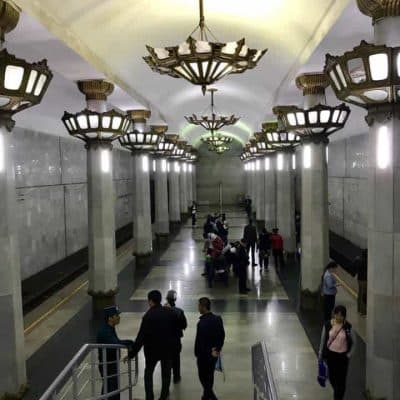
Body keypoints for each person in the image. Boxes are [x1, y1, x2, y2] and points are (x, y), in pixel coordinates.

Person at [128, 290, 180, 400]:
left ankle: (149, 397)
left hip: (151, 351)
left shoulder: (148, 316)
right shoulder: (170, 313)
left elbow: (141, 338)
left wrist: (131, 354)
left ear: (150, 301)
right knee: (166, 374)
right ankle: (163, 396)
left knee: (148, 373)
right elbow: (176, 331)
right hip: (167, 350)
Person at [318, 305, 356, 400]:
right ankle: (337, 393)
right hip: (331, 356)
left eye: (341, 315)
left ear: (344, 316)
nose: (339, 317)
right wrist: (320, 353)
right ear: (334, 314)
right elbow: (323, 340)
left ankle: (338, 397)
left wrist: (349, 354)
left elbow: (354, 342)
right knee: (332, 378)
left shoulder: (347, 327)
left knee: (341, 380)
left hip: (343, 357)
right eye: (337, 314)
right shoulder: (328, 325)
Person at [97, 306, 134, 400]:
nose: (119, 317)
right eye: (116, 315)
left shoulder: (110, 328)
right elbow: (116, 343)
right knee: (112, 390)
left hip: (111, 364)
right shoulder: (105, 332)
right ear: (110, 318)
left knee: (109, 389)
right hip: (108, 365)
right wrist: (130, 342)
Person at [195, 297, 225, 400]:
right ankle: (206, 396)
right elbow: (222, 335)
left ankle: (210, 396)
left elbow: (200, 342)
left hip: (203, 356)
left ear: (203, 307)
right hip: (214, 355)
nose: (198, 308)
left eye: (199, 305)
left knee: (203, 377)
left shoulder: (201, 323)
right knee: (210, 375)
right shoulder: (218, 319)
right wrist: (217, 349)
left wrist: (199, 353)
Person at [164, 290, 187, 384]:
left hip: (165, 340)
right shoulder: (179, 312)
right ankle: (176, 377)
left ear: (166, 299)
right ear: (175, 299)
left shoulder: (162, 311)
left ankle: (166, 379)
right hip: (176, 340)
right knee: (176, 359)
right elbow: (184, 325)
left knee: (166, 361)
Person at [352, 249, 367, 316]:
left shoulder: (359, 260)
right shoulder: (367, 261)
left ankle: (359, 309)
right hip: (365, 280)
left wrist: (356, 260)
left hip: (360, 279)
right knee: (364, 295)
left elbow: (354, 266)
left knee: (360, 294)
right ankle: (363, 311)